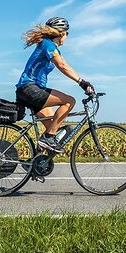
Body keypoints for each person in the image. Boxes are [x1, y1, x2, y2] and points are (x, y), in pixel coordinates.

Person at [16, 17, 93, 153]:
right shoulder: (48, 44)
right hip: (30, 89)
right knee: (69, 101)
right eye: (67, 33)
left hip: (29, 90)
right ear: (62, 33)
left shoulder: (49, 46)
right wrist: (82, 82)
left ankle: (36, 166)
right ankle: (48, 138)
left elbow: (66, 65)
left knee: (52, 128)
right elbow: (62, 66)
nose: (67, 37)